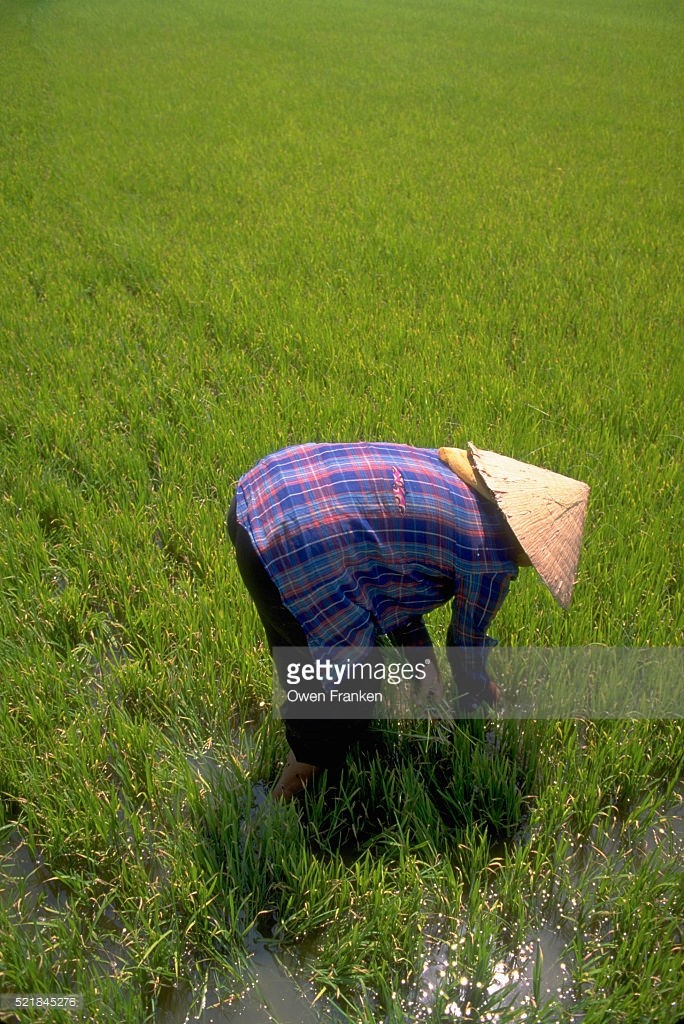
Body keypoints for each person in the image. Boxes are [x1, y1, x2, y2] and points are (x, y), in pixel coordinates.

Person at [227, 441, 589, 800]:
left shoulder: (443, 472)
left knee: (297, 645)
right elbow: (466, 644)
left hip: (257, 497)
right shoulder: (490, 557)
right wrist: (477, 690)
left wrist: (422, 664)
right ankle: (293, 786)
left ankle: (305, 734)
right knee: (348, 698)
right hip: (297, 548)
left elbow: (393, 576)